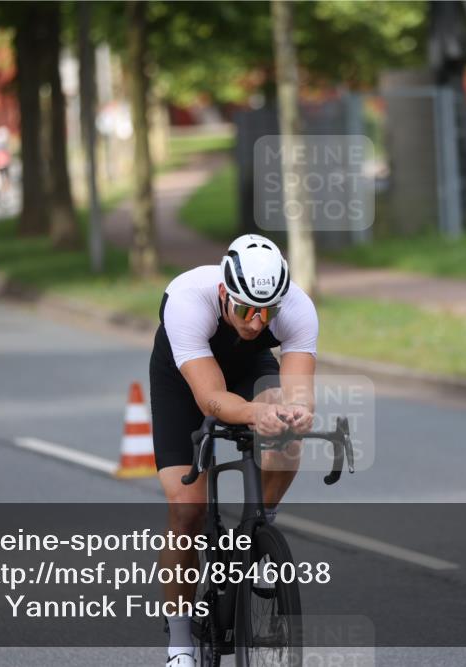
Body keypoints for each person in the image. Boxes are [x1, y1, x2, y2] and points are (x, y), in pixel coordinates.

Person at [149, 234, 318, 666]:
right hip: (185, 380)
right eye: (246, 309)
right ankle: (180, 647)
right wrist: (249, 414)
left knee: (284, 429)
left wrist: (295, 414)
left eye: (269, 311)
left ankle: (259, 531)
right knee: (187, 509)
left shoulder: (297, 307)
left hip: (249, 370)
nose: (258, 323)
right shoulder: (188, 300)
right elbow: (210, 400)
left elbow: (300, 392)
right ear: (225, 293)